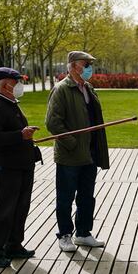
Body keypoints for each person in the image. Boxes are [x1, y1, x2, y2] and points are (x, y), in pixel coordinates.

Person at [46, 51, 110, 252]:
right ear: (73, 66)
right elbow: (53, 122)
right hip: (70, 155)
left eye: (90, 63)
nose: (90, 67)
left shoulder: (89, 88)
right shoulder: (62, 89)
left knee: (86, 196)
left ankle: (83, 233)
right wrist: (72, 143)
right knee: (65, 197)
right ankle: (65, 234)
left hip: (89, 154)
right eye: (86, 64)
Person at [0, 67, 39, 267]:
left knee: (20, 206)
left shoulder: (12, 104)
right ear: (6, 84)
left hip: (23, 164)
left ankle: (13, 245)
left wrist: (26, 138)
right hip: (6, 167)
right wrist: (20, 135)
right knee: (3, 208)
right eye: (17, 81)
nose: (20, 85)